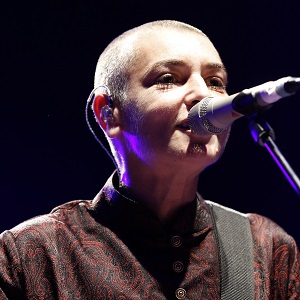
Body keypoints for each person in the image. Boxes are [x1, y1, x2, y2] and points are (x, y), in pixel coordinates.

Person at [0, 20, 299, 300]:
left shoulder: (268, 250)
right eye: (168, 78)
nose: (203, 95)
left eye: (215, 82)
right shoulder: (31, 255)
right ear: (108, 113)